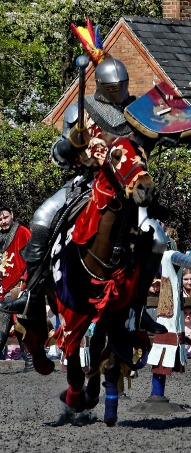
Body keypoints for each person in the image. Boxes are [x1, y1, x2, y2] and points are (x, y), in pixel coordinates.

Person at [0, 52, 171, 367]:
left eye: (122, 84)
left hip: (129, 190)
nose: (119, 90)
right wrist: (70, 144)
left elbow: (165, 134)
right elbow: (59, 154)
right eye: (113, 85)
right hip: (85, 183)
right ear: (102, 86)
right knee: (41, 218)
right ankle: (33, 293)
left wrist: (180, 132)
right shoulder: (82, 110)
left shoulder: (140, 111)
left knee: (158, 240)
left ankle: (136, 309)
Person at [0, 206, 34, 371]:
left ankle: (31, 362)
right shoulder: (1, 237)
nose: (3, 221)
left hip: (18, 287)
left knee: (12, 322)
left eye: (5, 217)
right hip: (4, 287)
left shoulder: (22, 233)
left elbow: (33, 257)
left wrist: (26, 282)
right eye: (0, 219)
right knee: (15, 323)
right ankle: (30, 362)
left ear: (12, 216)